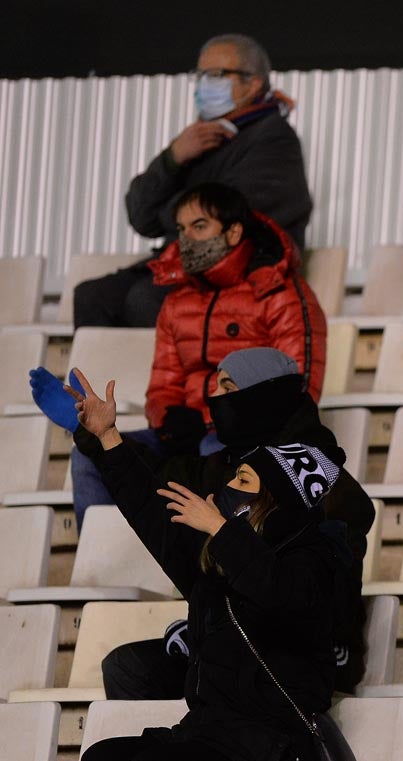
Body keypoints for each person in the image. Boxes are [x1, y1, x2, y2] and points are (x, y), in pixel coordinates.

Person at [69, 367, 352, 761]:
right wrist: (108, 437)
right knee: (104, 756)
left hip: (272, 743)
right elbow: (149, 510)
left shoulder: (313, 560)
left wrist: (221, 530)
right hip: (205, 733)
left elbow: (278, 595)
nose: (228, 488)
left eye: (244, 481)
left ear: (272, 502)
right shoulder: (213, 558)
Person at [52, 181, 327, 524]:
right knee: (91, 454)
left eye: (199, 227)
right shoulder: (176, 300)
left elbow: (297, 390)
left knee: (218, 457)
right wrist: (168, 420)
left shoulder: (281, 293)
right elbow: (164, 382)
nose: (187, 240)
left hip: (248, 438)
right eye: (181, 229)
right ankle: (104, 555)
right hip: (186, 436)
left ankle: (219, 563)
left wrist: (217, 420)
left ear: (233, 232)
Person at [75, 33, 313, 329]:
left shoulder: (274, 139)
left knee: (148, 299)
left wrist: (172, 214)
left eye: (215, 75)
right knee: (92, 297)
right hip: (184, 264)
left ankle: (163, 377)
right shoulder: (201, 140)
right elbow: (141, 216)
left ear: (251, 84)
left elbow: (221, 214)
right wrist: (172, 158)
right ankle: (100, 378)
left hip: (240, 271)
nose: (204, 85)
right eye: (199, 76)